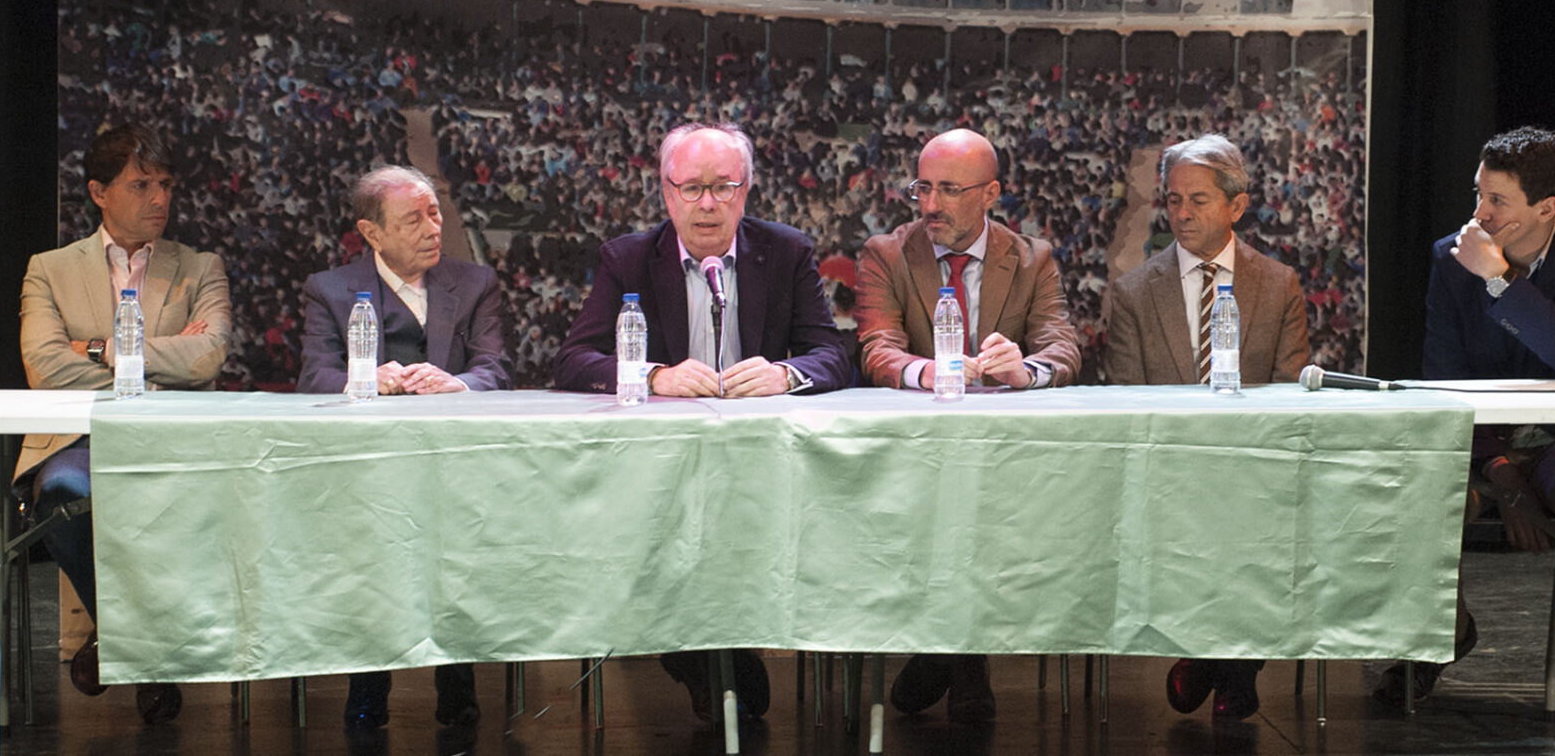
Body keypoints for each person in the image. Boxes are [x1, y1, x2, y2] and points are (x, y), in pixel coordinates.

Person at [553, 123, 853, 722]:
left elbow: (832, 354)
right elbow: (573, 360)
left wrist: (784, 374)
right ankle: (694, 648)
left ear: (747, 191)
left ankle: (733, 640)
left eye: (723, 187)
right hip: (658, 466)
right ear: (667, 194)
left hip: (760, 460)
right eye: (692, 189)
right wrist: (653, 374)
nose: (708, 203)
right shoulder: (629, 257)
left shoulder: (786, 249)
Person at [1392, 125, 1555, 712]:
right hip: (1485, 447)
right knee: (1416, 502)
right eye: (1478, 195)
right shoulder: (1449, 256)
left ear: (1546, 209)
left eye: (1497, 200)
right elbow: (1444, 382)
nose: (1479, 213)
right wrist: (1503, 474)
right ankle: (1440, 635)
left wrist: (1499, 279)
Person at [853, 127, 1084, 724]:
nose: (930, 205)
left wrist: (1025, 371)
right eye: (922, 188)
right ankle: (963, 661)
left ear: (991, 194)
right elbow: (877, 347)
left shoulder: (1033, 259)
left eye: (949, 190)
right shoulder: (887, 253)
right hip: (918, 454)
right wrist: (927, 372)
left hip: (1005, 461)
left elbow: (1062, 346)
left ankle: (948, 654)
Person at [14, 122, 230, 724]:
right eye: (140, 185)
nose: (159, 198)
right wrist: (157, 357)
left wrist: (97, 348)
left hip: (172, 436)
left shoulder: (200, 266)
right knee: (60, 495)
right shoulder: (50, 268)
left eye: (165, 184)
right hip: (78, 432)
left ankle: (118, 641)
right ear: (98, 192)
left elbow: (209, 354)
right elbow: (44, 366)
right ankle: (140, 642)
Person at [1101, 134, 1310, 721]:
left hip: (1255, 471)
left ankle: (1218, 661)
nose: (1183, 214)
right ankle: (1230, 665)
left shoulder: (1279, 284)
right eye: (1173, 201)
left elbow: (1291, 391)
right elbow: (1125, 401)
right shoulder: (1135, 292)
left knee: (1250, 518)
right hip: (1169, 474)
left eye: (1198, 200)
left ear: (1236, 206)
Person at [298, 165, 511, 730]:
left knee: (455, 545)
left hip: (453, 465)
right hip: (366, 470)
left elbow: (495, 368)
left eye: (435, 212)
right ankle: (368, 681)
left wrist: (457, 382)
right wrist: (365, 378)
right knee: (370, 555)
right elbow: (314, 377)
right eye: (413, 219)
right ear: (372, 233)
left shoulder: (474, 283)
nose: (432, 228)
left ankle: (456, 679)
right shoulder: (330, 289)